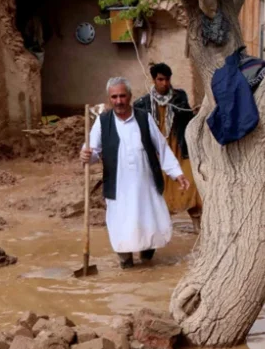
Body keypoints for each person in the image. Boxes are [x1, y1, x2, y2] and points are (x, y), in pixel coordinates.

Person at [79, 77, 190, 269]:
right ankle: (126, 263)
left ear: (129, 96)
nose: (119, 101)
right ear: (109, 98)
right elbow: (93, 152)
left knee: (149, 225)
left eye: (122, 96)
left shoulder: (144, 117)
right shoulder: (102, 122)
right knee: (122, 226)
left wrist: (176, 173)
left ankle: (147, 263)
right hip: (118, 186)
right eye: (114, 97)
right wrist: (86, 155)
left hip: (145, 185)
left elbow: (161, 148)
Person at [133, 63, 202, 233]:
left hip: (179, 147)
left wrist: (195, 113)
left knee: (190, 184)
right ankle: (161, 229)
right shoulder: (142, 103)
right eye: (160, 79)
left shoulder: (179, 97)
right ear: (154, 80)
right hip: (157, 152)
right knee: (159, 188)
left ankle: (197, 226)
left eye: (167, 79)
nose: (164, 83)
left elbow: (187, 120)